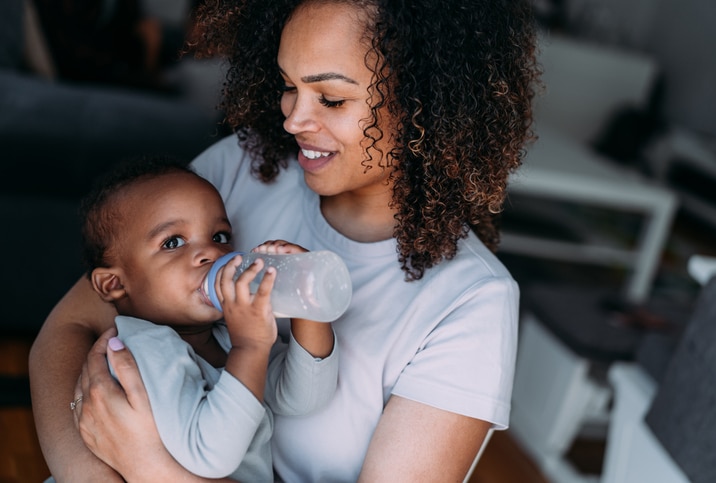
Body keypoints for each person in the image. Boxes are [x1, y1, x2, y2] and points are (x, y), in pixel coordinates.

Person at [29, 0, 540, 481]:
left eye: (332, 98)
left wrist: (148, 466)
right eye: (288, 84)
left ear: (427, 104)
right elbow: (72, 324)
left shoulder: (471, 300)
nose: (293, 119)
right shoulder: (245, 166)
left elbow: (285, 389)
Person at [64, 155, 337, 482]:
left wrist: (306, 303)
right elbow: (212, 455)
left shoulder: (223, 335)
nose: (212, 253)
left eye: (220, 236)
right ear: (115, 284)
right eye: (173, 242)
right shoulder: (142, 350)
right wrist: (250, 347)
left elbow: (303, 397)